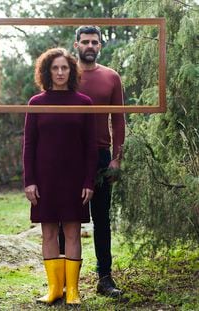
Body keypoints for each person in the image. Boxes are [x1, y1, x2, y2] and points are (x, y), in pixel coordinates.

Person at [23, 47, 97, 305]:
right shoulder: (36, 103)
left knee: (73, 232)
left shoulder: (84, 103)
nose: (60, 72)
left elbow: (91, 146)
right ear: (47, 71)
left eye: (64, 67)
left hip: (75, 179)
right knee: (49, 233)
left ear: (71, 70)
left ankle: (73, 291)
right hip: (45, 179)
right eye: (55, 68)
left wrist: (89, 180)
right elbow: (29, 145)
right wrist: (29, 181)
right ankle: (55, 289)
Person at [58, 25, 126, 298]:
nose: (89, 45)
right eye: (84, 41)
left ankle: (105, 278)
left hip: (100, 155)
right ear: (76, 45)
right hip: (67, 156)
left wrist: (117, 159)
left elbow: (119, 120)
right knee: (65, 218)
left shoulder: (111, 77)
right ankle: (62, 281)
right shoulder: (63, 74)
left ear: (100, 45)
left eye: (94, 42)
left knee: (101, 219)